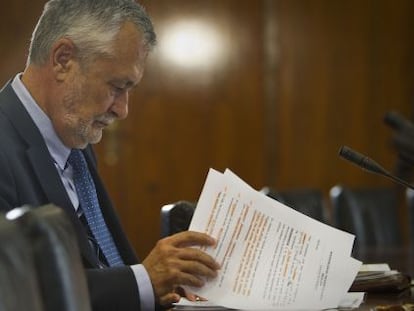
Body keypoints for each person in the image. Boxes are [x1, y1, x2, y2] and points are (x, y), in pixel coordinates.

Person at [0, 0, 220, 310]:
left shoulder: (74, 141)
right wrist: (144, 280)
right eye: (117, 86)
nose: (123, 109)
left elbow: (98, 266)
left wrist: (160, 288)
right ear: (63, 60)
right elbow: (14, 291)